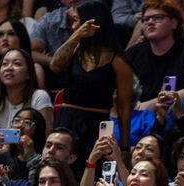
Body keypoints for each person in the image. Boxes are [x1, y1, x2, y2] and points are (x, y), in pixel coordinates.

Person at [49, 0, 132, 162]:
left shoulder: (119, 61)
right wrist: (76, 36)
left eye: (76, 21)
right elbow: (55, 65)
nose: (73, 27)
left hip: (97, 124)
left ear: (93, 22)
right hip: (67, 119)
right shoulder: (74, 48)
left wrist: (125, 147)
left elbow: (123, 107)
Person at [126, 0, 184, 110]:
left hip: (174, 115)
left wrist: (150, 105)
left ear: (174, 23)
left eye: (157, 18)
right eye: (145, 19)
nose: (150, 22)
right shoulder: (133, 53)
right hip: (135, 115)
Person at [0, 48, 53, 130]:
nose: (9, 68)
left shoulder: (39, 97)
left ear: (28, 74)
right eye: (5, 64)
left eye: (17, 64)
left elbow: (45, 136)